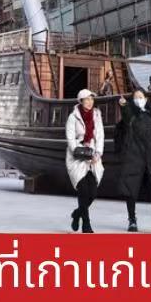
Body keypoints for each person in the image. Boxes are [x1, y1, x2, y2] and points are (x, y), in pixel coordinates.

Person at [115, 89, 151, 233]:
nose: (138, 99)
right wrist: (123, 105)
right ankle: (132, 220)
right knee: (131, 189)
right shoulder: (130, 115)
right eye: (135, 97)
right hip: (134, 157)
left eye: (141, 97)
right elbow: (126, 116)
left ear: (146, 99)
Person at [66, 88, 105, 233]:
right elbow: (70, 139)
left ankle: (77, 214)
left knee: (92, 193)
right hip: (77, 157)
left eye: (91, 99)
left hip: (93, 156)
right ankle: (86, 224)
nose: (90, 102)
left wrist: (98, 153)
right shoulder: (73, 117)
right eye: (87, 99)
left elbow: (100, 136)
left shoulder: (97, 115)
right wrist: (83, 152)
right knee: (83, 190)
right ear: (81, 101)